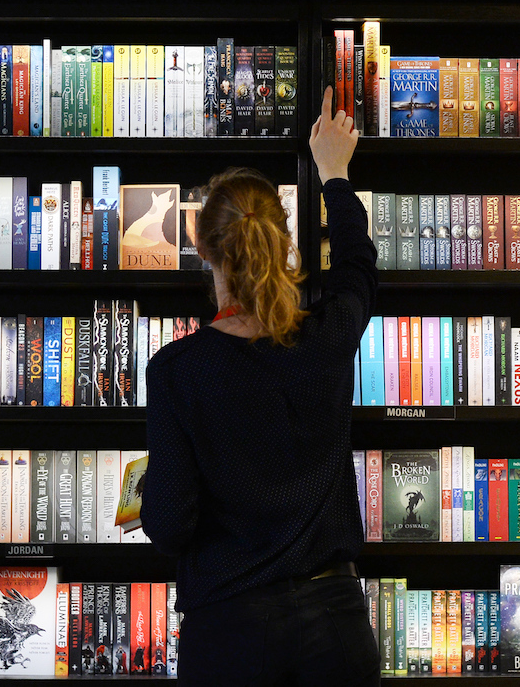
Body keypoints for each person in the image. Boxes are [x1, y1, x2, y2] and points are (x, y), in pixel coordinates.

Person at [140, 85, 379, 686]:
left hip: (231, 635)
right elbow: (357, 267)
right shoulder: (326, 338)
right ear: (282, 238)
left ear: (201, 248)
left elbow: (168, 526)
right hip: (337, 629)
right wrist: (334, 172)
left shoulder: (178, 371)